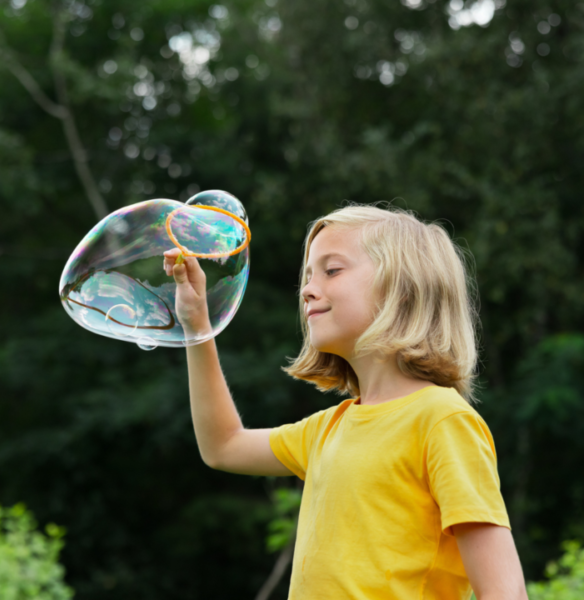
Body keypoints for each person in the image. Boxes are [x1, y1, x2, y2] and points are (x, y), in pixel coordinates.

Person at [163, 205, 528, 600]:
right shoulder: (328, 428)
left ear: (402, 289)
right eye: (307, 276)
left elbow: (504, 593)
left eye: (332, 270)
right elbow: (223, 446)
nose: (307, 289)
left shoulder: (441, 420)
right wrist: (197, 325)